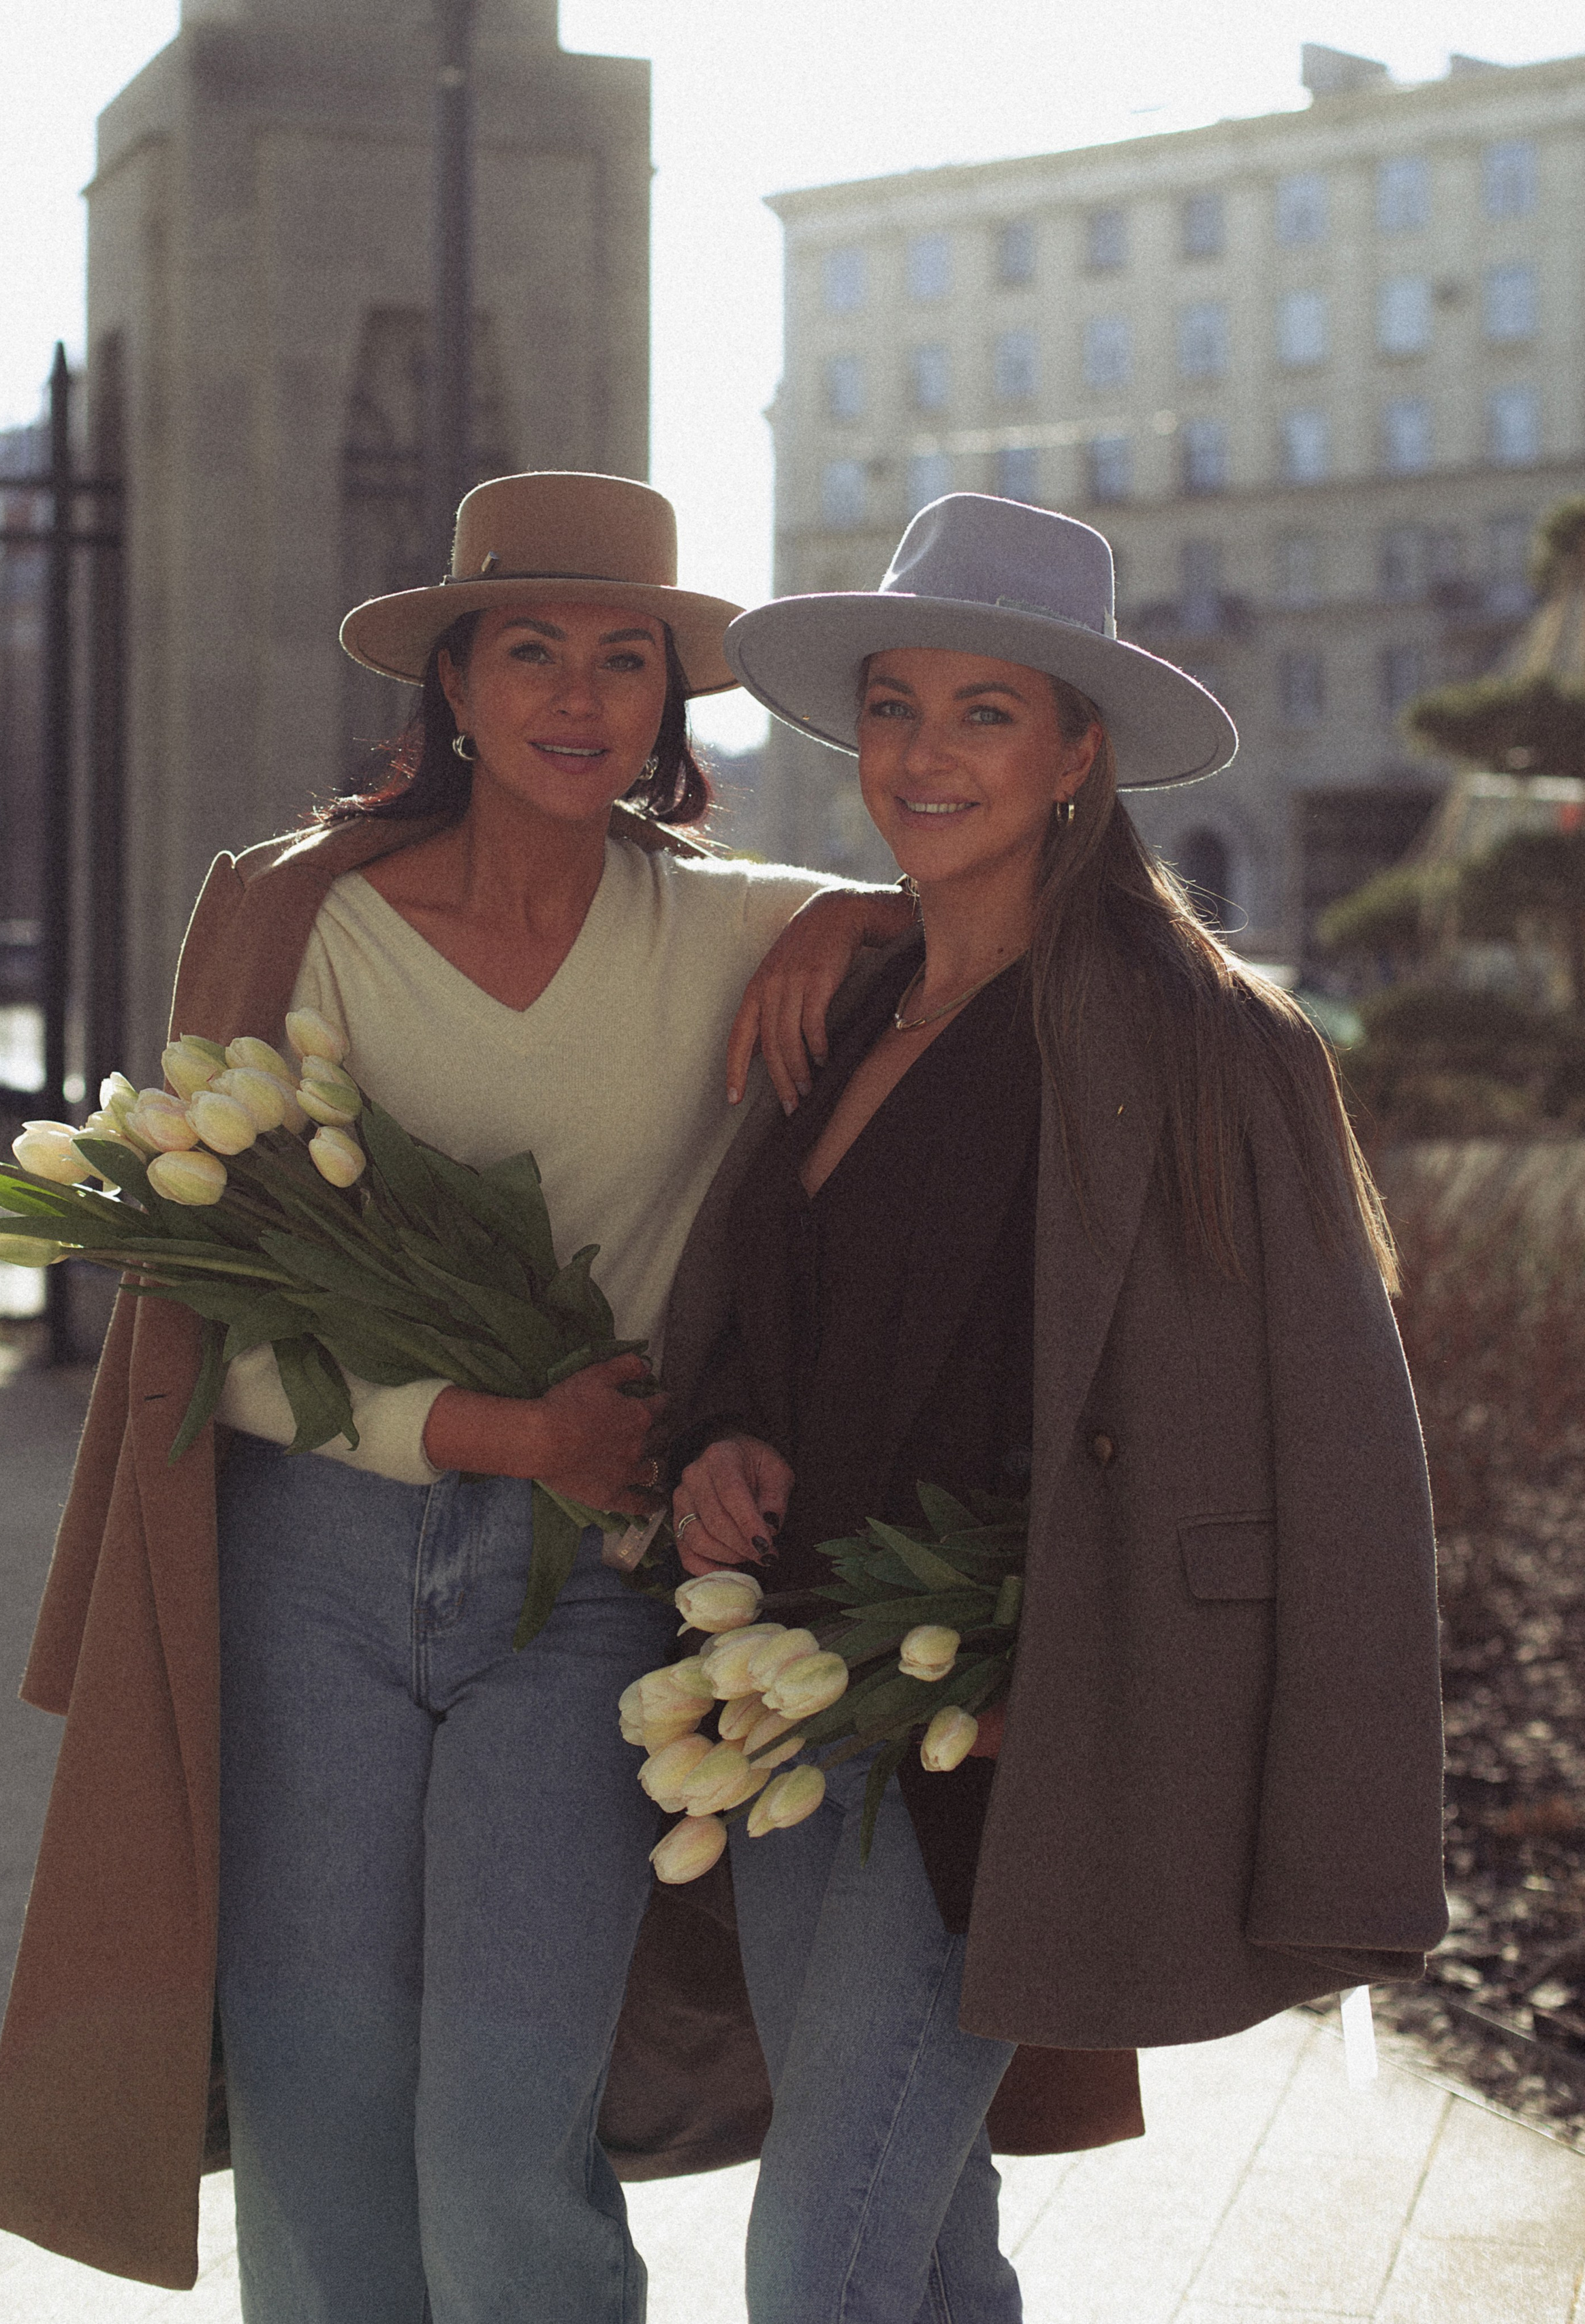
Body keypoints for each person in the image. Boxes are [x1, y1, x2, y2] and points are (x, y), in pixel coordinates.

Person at [0, 471, 917, 2318]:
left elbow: (995, 902)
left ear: (668, 704)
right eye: (533, 650)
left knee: (503, 2134)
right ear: (455, 688)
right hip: (314, 1566)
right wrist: (496, 1431)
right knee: (322, 2113)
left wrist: (845, 922)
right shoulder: (302, 923)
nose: (580, 695)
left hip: (582, 1598)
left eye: (625, 658)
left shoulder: (725, 925)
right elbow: (205, 1317)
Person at [664, 493, 1448, 2324]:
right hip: (783, 1698)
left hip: (1024, 1737)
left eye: (984, 713)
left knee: (826, 2258)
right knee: (921, 2246)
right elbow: (761, 1330)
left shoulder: (1210, 1050)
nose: (922, 756)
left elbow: (1344, 1459)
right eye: (893, 708)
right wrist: (713, 1451)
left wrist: (1323, 1817)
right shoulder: (849, 1009)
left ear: (1080, 747)